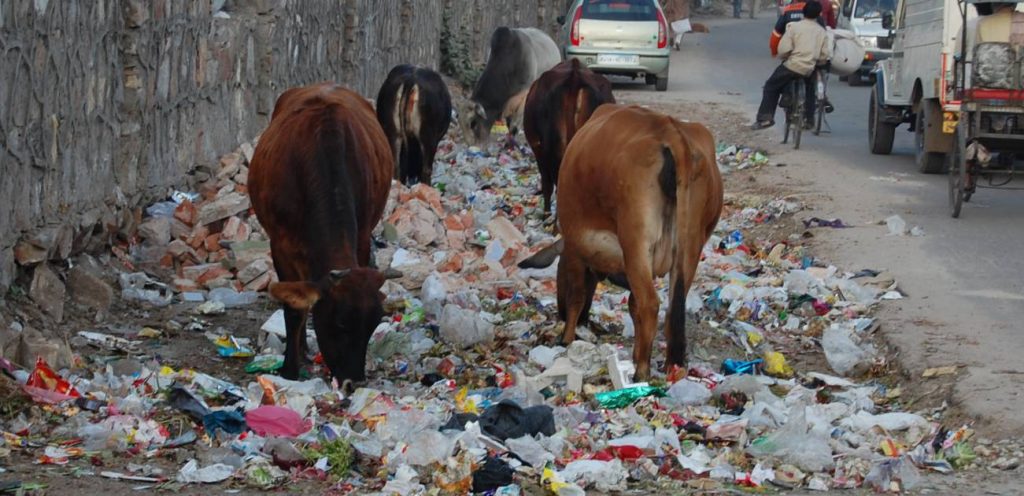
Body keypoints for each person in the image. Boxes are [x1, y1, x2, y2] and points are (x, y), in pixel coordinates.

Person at [751, 1, 832, 129]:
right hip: (809, 68)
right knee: (811, 89)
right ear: (818, 15)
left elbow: (783, 49)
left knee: (771, 86)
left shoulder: (794, 27)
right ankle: (809, 119)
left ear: (804, 12)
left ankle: (765, 118)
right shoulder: (821, 32)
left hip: (793, 65)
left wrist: (784, 55)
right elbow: (824, 55)